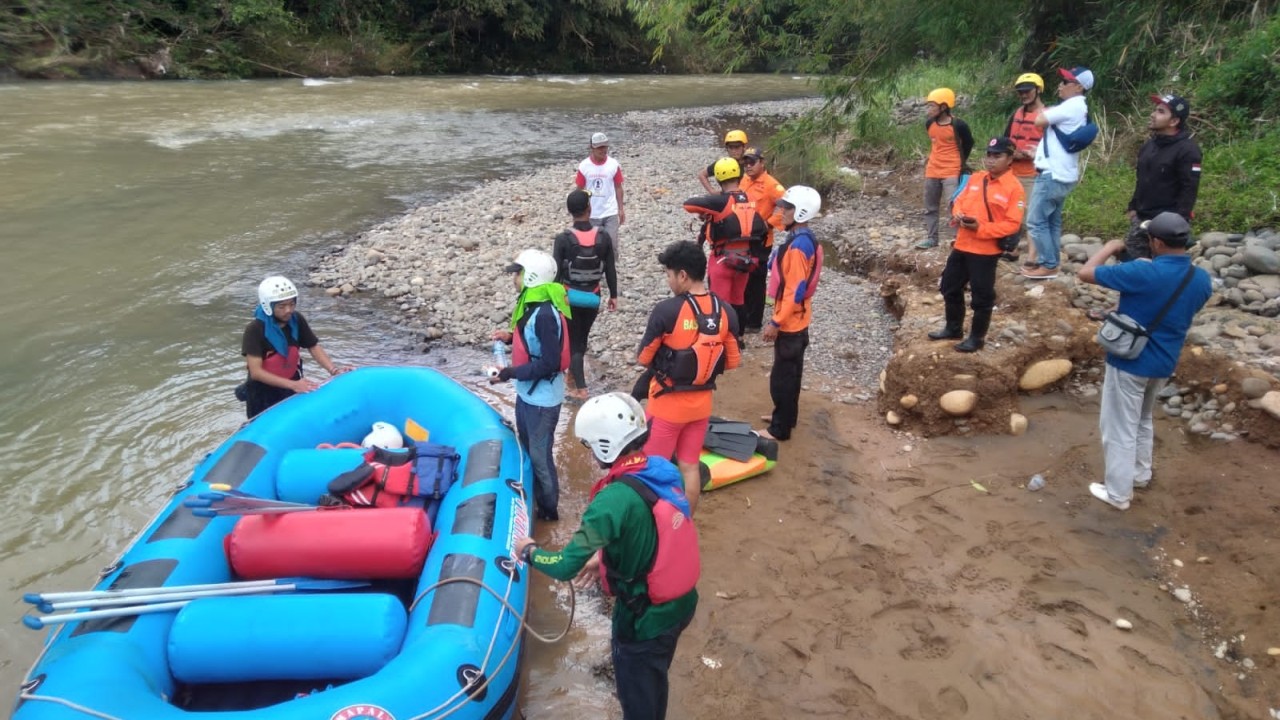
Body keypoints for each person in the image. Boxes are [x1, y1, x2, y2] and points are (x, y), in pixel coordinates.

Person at [514, 392, 697, 720]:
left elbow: (566, 565)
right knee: (655, 676)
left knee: (638, 693)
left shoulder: (610, 501)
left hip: (644, 619)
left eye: (588, 445)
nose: (588, 453)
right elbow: (655, 528)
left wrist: (529, 551)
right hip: (681, 606)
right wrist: (604, 559)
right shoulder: (661, 469)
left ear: (604, 445)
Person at [1076, 212, 1212, 510]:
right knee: (1142, 419)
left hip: (1130, 361)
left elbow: (1085, 273)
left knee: (1118, 427)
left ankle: (1118, 494)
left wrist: (1111, 247)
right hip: (1164, 361)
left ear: (1157, 242)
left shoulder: (1142, 272)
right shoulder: (1200, 278)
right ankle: (1140, 474)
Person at [637, 240, 742, 514]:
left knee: (652, 468)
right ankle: (685, 520)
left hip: (666, 407)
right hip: (701, 407)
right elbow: (733, 362)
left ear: (683, 275)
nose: (668, 280)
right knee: (689, 465)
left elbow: (644, 358)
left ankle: (653, 525)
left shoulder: (667, 310)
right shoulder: (726, 311)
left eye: (669, 274)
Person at [490, 249, 571, 521]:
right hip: (529, 394)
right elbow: (531, 338)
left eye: (518, 273)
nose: (515, 278)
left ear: (532, 277)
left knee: (540, 456)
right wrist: (510, 338)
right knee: (528, 447)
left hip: (543, 401)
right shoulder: (532, 304)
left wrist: (508, 373)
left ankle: (550, 514)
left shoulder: (546, 313)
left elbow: (549, 362)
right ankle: (535, 496)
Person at [927, 138, 1026, 352]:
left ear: (1009, 159)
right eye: (989, 155)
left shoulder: (1014, 188)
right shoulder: (976, 178)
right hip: (962, 244)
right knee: (949, 286)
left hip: (985, 250)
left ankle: (977, 338)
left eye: (997, 156)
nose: (991, 160)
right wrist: (959, 214)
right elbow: (959, 200)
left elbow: (1012, 224)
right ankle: (953, 328)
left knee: (982, 296)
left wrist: (980, 228)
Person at [760, 186, 822, 441]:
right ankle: (786, 416)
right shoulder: (805, 239)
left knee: (782, 378)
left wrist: (775, 322)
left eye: (786, 207)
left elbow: (794, 290)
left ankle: (779, 429)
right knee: (792, 373)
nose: (781, 210)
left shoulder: (798, 248)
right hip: (800, 320)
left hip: (791, 324)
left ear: (800, 212)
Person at [240, 275, 348, 419]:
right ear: (268, 306)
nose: (288, 310)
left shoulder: (296, 319)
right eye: (281, 306)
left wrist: (333, 370)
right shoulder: (255, 329)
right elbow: (256, 372)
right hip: (263, 392)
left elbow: (313, 346)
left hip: (292, 381)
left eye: (291, 304)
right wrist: (294, 385)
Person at [1023, 66, 1093, 279]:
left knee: (1035, 221)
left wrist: (1046, 111)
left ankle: (1048, 263)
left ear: (1078, 87)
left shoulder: (1072, 105)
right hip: (1063, 173)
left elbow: (1038, 121)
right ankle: (1052, 262)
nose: (1060, 86)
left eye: (1065, 82)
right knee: (1052, 221)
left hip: (1052, 175)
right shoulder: (1080, 108)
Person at [682, 158, 768, 325]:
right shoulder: (750, 198)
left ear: (719, 179)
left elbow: (688, 205)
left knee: (719, 302)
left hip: (722, 260)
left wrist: (711, 200)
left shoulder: (719, 201)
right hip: (746, 259)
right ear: (739, 175)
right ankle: (739, 337)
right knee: (738, 300)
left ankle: (720, 336)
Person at [553, 188, 619, 400]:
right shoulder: (603, 236)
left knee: (574, 343)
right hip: (593, 296)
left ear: (569, 211)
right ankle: (572, 377)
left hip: (568, 296)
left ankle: (580, 389)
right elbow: (610, 268)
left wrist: (554, 299)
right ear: (589, 209)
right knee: (581, 339)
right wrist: (613, 295)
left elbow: (556, 272)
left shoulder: (563, 238)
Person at [1124, 94, 1202, 259]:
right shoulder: (1149, 146)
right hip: (1142, 216)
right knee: (1132, 261)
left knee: (1165, 266)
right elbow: (1142, 179)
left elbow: (1189, 188)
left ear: (1174, 121)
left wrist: (1180, 220)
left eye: (1160, 112)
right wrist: (1133, 206)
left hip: (1168, 220)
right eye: (1155, 110)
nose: (1153, 114)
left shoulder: (1188, 150)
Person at [916, 88, 974, 250]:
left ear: (943, 107)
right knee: (930, 206)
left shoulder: (958, 125)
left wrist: (961, 162)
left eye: (932, 106)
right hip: (933, 170)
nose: (929, 110)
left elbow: (969, 143)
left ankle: (959, 239)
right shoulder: (929, 124)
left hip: (952, 170)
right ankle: (932, 238)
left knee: (954, 206)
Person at [738, 146, 787, 333]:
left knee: (757, 280)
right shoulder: (743, 180)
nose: (748, 166)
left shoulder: (771, 185)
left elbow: (788, 205)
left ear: (762, 162)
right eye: (745, 162)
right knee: (742, 274)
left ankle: (754, 321)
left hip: (760, 239)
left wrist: (770, 223)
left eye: (752, 162)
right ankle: (743, 312)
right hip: (742, 237)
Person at [1004, 72, 1046, 263]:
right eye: (1021, 92)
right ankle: (1011, 249)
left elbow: (1053, 146)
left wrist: (1034, 153)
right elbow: (1006, 139)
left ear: (1037, 90)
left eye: (1027, 91)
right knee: (1010, 211)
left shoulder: (1046, 116)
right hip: (1012, 171)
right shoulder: (1016, 114)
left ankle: (1032, 256)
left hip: (1033, 173)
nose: (1023, 95)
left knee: (1031, 215)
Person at [575, 132, 626, 257]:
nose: (603, 150)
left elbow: (618, 187)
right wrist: (579, 212)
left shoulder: (614, 164)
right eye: (599, 147)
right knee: (593, 244)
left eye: (605, 147)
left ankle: (612, 267)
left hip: (610, 211)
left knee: (612, 243)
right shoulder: (584, 166)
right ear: (592, 148)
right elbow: (579, 189)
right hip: (592, 213)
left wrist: (621, 209)